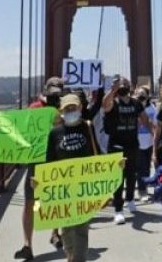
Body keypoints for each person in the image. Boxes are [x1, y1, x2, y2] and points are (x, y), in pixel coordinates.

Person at [44, 93, 102, 262]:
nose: (70, 110)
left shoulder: (88, 127)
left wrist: (114, 167)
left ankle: (78, 259)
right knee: (67, 227)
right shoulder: (55, 133)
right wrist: (42, 182)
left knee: (82, 226)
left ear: (80, 108)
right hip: (63, 188)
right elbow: (49, 161)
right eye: (67, 108)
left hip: (84, 186)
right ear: (61, 110)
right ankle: (70, 255)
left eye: (73, 107)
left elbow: (97, 153)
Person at [14, 77, 65, 261]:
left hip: (57, 163)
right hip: (37, 162)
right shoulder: (35, 108)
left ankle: (55, 232)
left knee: (56, 201)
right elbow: (21, 128)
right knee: (29, 202)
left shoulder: (66, 109)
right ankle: (27, 244)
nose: (55, 97)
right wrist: (2, 130)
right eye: (53, 94)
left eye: (58, 94)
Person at [102, 76, 150, 224]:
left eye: (126, 85)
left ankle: (130, 199)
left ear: (131, 87)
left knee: (131, 174)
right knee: (118, 178)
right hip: (116, 145)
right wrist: (113, 90)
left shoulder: (136, 103)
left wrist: (152, 130)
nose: (123, 87)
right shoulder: (114, 102)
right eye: (120, 86)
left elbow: (144, 119)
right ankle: (118, 209)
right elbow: (105, 105)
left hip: (132, 144)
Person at [134, 86, 159, 200]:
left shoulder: (152, 109)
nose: (141, 97)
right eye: (139, 95)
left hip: (148, 142)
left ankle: (145, 189)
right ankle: (142, 191)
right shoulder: (133, 108)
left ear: (148, 96)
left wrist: (146, 122)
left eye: (143, 95)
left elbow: (155, 127)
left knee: (146, 167)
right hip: (136, 142)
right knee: (140, 168)